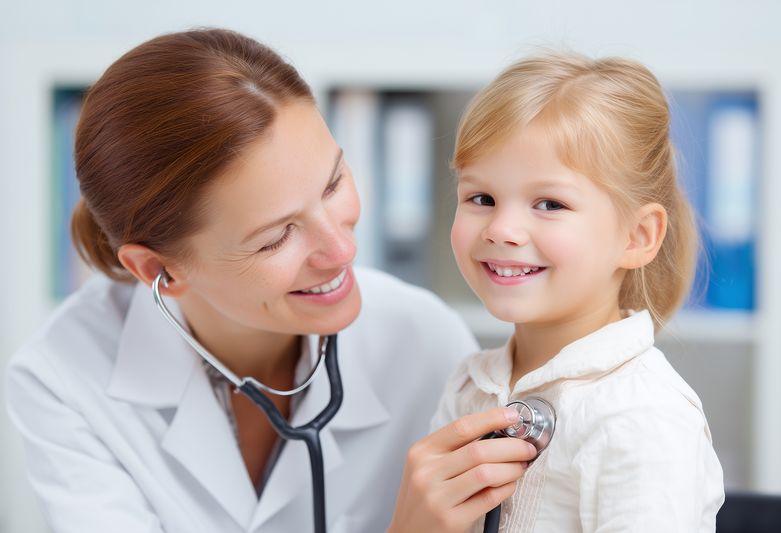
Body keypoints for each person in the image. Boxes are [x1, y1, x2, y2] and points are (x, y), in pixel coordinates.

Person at [4, 29, 537, 533]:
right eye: (276, 236)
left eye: (332, 185)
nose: (342, 249)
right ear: (158, 269)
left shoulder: (423, 339)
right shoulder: (63, 378)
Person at [432, 52, 725, 531]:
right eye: (480, 198)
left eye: (550, 203)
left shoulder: (643, 417)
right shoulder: (470, 387)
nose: (502, 229)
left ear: (637, 237)